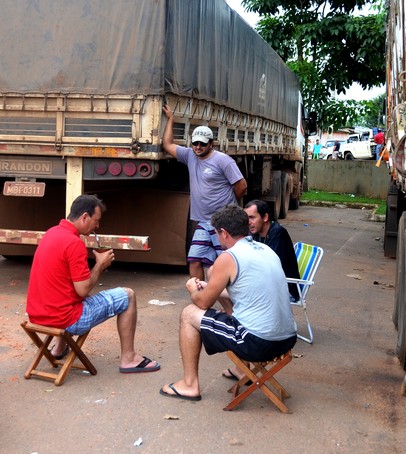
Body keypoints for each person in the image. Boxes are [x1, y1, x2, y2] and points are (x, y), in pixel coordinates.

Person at [159, 205, 297, 401]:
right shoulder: (265, 249)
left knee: (189, 314)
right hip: (286, 339)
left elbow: (204, 303)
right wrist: (210, 286)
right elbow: (245, 291)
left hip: (259, 343)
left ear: (223, 233)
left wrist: (192, 288)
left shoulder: (229, 257)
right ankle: (241, 370)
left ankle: (189, 385)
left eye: (216, 234)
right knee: (225, 296)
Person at [26, 194, 160, 373]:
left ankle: (59, 348)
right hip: (66, 319)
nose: (97, 226)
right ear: (84, 217)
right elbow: (81, 290)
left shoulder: (51, 233)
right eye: (96, 221)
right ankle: (128, 358)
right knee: (128, 295)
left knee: (68, 295)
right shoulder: (74, 243)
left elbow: (65, 285)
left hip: (38, 315)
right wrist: (100, 265)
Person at [162, 104, 248, 281]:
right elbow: (167, 144)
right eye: (195, 143)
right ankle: (201, 294)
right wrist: (171, 119)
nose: (198, 147)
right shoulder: (189, 156)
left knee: (224, 262)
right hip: (203, 222)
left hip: (223, 223)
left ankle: (229, 301)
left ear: (211, 143)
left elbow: (242, 186)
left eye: (202, 143)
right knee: (194, 259)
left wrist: (230, 206)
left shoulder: (223, 161)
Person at [244, 199, 300, 301]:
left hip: (285, 288)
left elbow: (270, 266)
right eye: (246, 218)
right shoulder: (256, 233)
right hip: (268, 283)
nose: (248, 222)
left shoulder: (278, 233)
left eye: (252, 218)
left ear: (265, 217)